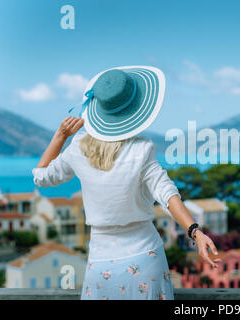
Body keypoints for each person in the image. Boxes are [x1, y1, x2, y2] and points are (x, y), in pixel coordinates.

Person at [32, 66, 220, 300]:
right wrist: (196, 232)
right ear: (135, 110)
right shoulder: (142, 149)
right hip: (146, 259)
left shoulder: (78, 148)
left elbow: (41, 177)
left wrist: (60, 135)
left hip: (100, 265)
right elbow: (167, 195)